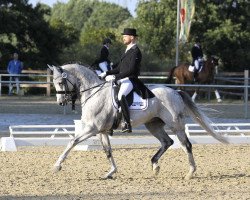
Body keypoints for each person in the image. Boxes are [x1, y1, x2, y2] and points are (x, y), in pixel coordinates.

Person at [98, 28, 142, 133]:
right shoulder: (127, 50)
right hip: (123, 78)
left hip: (131, 79)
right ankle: (111, 121)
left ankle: (127, 123)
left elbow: (131, 70)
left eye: (125, 36)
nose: (123, 38)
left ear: (132, 37)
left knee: (120, 95)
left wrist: (116, 77)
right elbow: (119, 69)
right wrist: (107, 73)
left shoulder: (136, 51)